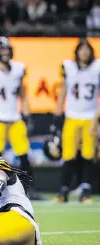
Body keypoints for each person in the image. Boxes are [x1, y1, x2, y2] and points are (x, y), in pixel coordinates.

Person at [0, 37, 36, 197]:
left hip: (14, 117)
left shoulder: (18, 69)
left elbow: (22, 95)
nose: (5, 53)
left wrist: (27, 115)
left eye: (7, 50)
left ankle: (27, 189)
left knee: (24, 154)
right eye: (2, 50)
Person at [55, 38, 99, 203]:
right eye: (82, 49)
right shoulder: (69, 67)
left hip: (90, 117)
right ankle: (63, 191)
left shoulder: (97, 67)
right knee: (68, 155)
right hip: (72, 116)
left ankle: (85, 192)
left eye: (87, 49)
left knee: (88, 155)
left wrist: (96, 119)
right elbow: (63, 93)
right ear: (77, 51)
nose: (85, 52)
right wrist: (56, 118)